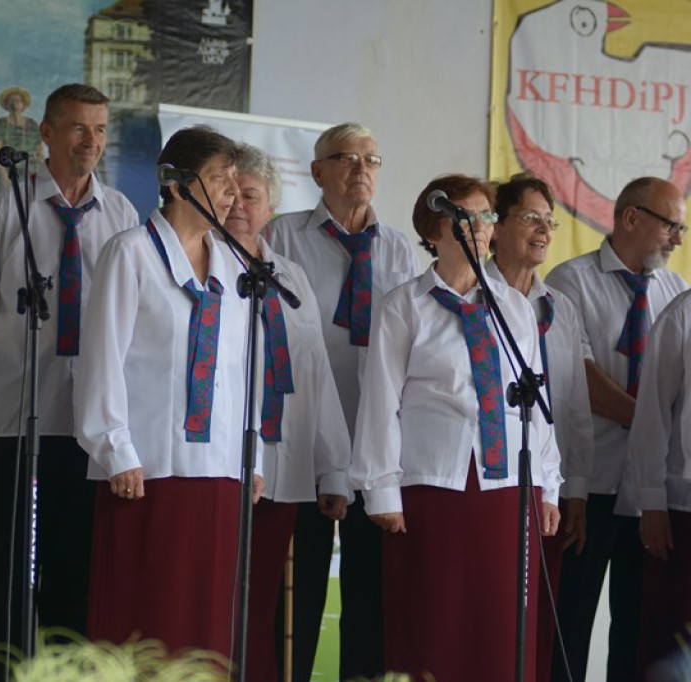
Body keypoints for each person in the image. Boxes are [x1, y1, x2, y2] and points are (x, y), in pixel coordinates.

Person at [0, 83, 136, 682]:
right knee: (13, 572)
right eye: (80, 128)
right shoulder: (8, 208)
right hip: (16, 422)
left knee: (75, 574)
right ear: (48, 135)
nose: (92, 141)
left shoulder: (122, 216)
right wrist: (6, 379)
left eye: (102, 129)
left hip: (89, 430)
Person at [350, 173, 562, 681]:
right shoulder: (405, 305)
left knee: (500, 623)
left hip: (508, 487)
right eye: (468, 216)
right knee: (435, 620)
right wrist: (381, 489)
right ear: (435, 229)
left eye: (488, 216)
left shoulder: (513, 306)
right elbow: (380, 399)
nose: (482, 227)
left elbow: (537, 401)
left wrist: (549, 485)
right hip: (434, 485)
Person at [76, 126, 264, 660]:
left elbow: (243, 367)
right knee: (145, 618)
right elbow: (102, 359)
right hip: (146, 469)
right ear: (177, 184)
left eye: (234, 181)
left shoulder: (234, 266)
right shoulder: (130, 252)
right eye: (217, 180)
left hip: (221, 467)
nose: (230, 193)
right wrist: (115, 449)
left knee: (208, 623)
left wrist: (254, 454)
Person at [267, 122, 418, 680]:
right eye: (347, 158)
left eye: (371, 159)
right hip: (305, 437)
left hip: (376, 442)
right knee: (297, 590)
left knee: (371, 595)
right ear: (317, 172)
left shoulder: (399, 248)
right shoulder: (283, 237)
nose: (361, 169)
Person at [545, 176, 688, 682]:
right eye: (671, 225)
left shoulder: (674, 290)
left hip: (652, 495)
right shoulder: (569, 281)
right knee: (573, 621)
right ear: (631, 218)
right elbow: (577, 375)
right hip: (592, 484)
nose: (678, 237)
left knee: (637, 627)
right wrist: (649, 420)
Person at [224, 143, 352, 682]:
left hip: (287, 470)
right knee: (221, 598)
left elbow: (316, 375)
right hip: (222, 468)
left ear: (271, 206)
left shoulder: (292, 277)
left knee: (268, 604)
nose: (236, 205)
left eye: (249, 195)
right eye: (228, 193)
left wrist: (334, 469)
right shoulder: (199, 264)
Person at [487, 173, 595, 682]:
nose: (544, 230)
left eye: (549, 221)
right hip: (487, 480)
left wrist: (575, 490)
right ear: (496, 224)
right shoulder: (470, 295)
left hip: (546, 490)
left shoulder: (561, 308)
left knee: (539, 619)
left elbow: (573, 406)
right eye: (531, 217)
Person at [625, 279, 691, 681]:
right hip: (684, 509)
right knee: (673, 637)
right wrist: (651, 502)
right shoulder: (682, 314)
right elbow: (651, 414)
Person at [0, 86, 42, 193]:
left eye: (18, 100)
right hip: (8, 171)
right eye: (11, 100)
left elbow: (39, 152)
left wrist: (41, 174)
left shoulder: (32, 124)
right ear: (6, 104)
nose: (14, 103)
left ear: (23, 104)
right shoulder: (1, 124)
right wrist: (4, 177)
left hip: (30, 171)